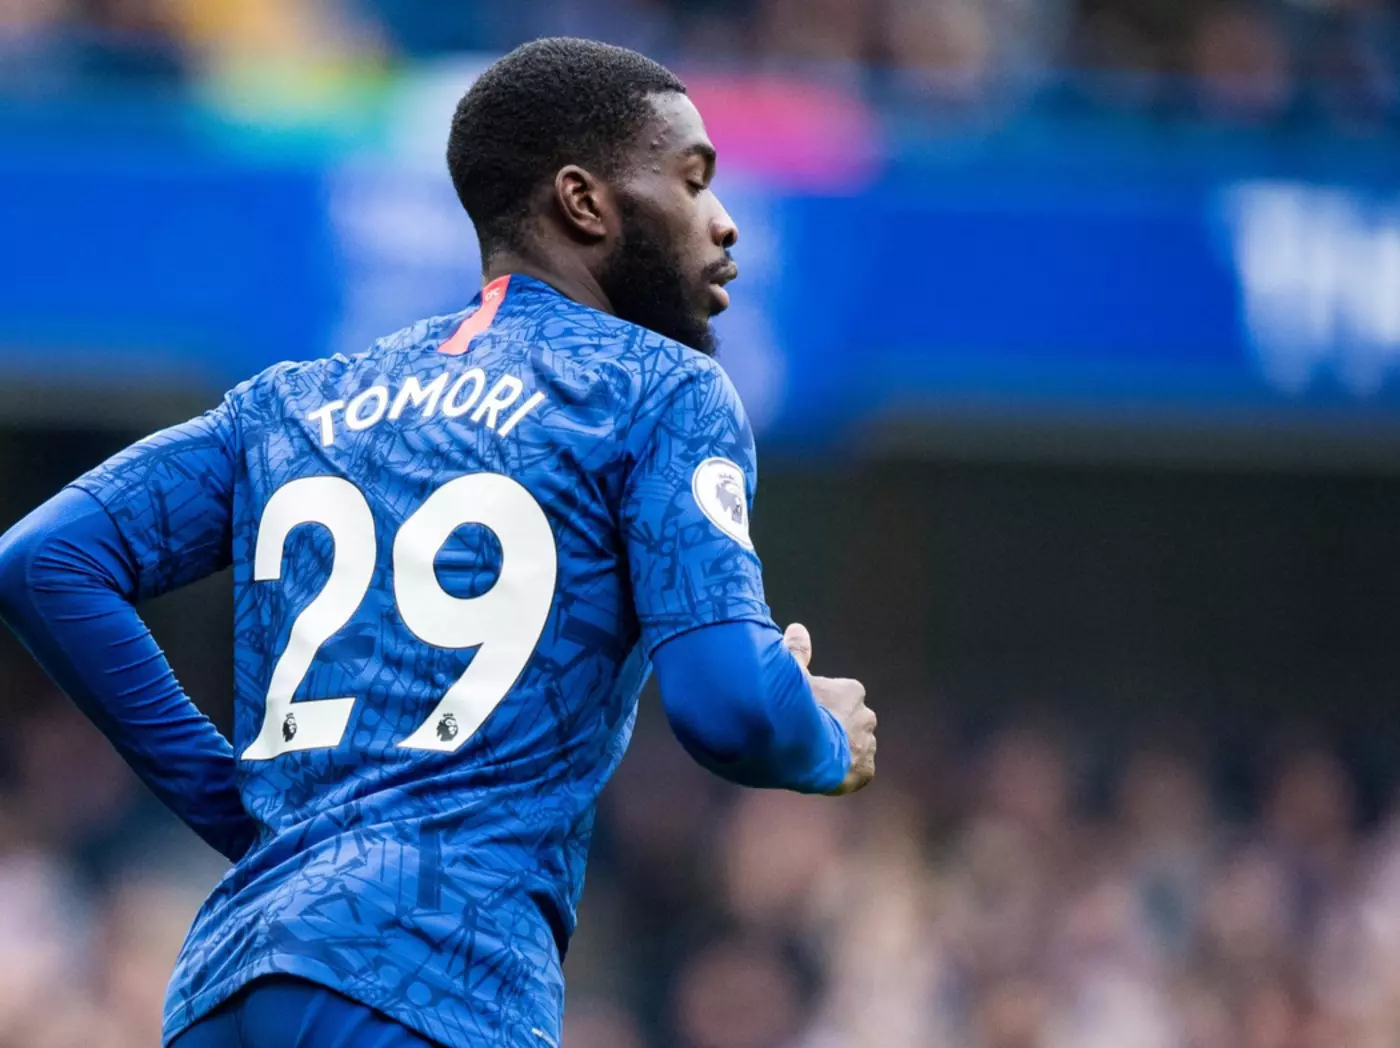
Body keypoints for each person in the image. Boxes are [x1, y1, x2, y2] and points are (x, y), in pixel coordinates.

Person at [0, 37, 876, 1048]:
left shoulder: (295, 403)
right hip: (433, 977)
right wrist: (818, 732)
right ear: (584, 203)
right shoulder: (657, 390)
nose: (722, 221)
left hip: (228, 983)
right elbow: (731, 709)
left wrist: (245, 815)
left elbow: (46, 561)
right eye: (690, 180)